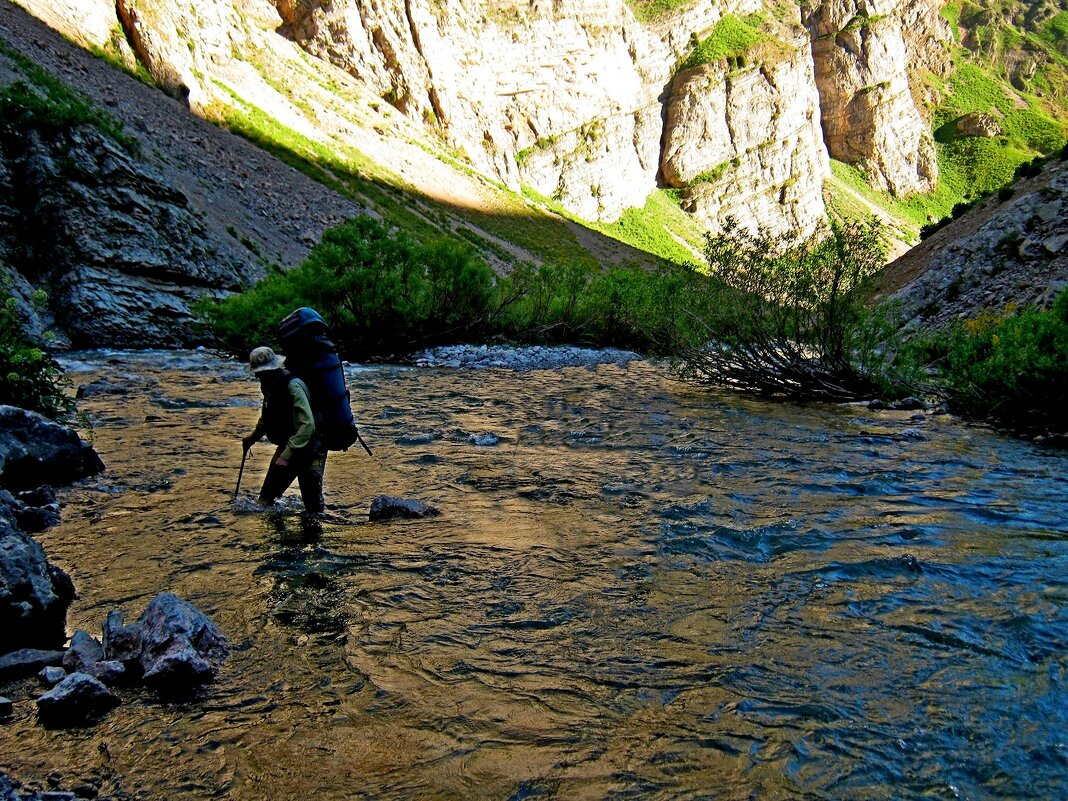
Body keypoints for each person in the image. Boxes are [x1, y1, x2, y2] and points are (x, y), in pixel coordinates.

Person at [242, 346, 327, 514]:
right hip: (289, 444)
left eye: (260, 372)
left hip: (312, 448)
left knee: (313, 510)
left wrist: (286, 456)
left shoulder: (293, 386)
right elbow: (267, 418)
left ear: (271, 369)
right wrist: (252, 438)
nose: (257, 375)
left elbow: (307, 425)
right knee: (266, 500)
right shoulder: (268, 385)